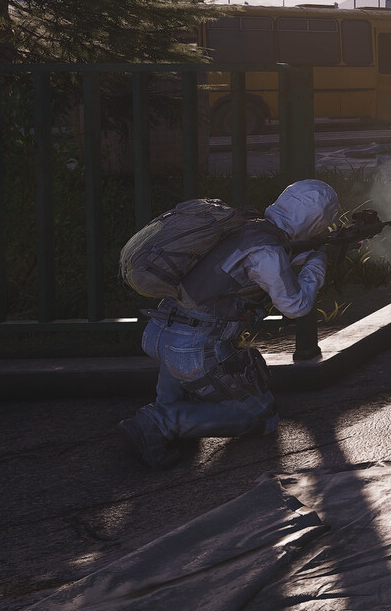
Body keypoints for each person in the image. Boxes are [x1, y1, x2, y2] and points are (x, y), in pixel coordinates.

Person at [118, 179, 340, 469]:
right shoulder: (268, 249)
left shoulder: (244, 225)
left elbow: (245, 267)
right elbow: (295, 305)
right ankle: (158, 422)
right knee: (261, 415)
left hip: (162, 331)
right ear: (316, 221)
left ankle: (166, 411)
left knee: (184, 371)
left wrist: (307, 252)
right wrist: (317, 263)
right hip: (193, 348)